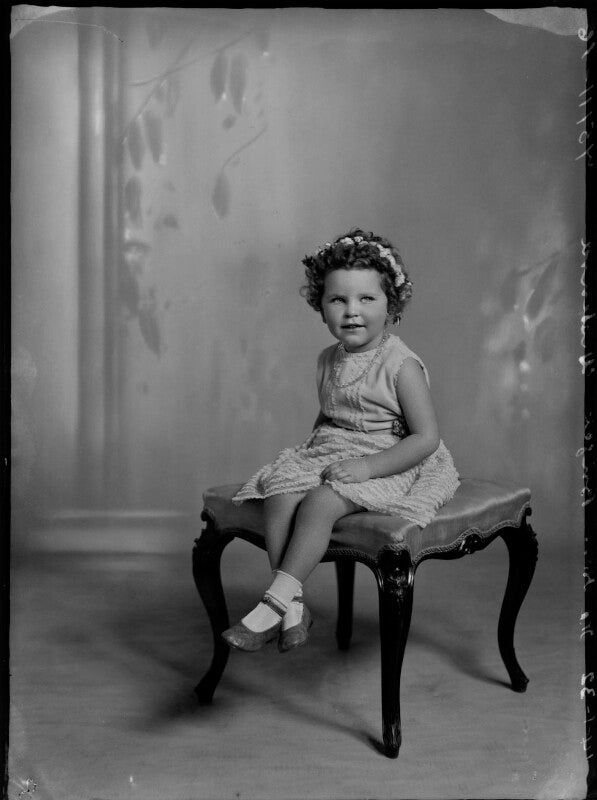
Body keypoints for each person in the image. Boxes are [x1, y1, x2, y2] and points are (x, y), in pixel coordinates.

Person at [222, 228, 459, 653]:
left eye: (367, 298)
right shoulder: (327, 360)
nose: (352, 311)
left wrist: (367, 467)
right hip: (336, 446)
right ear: (321, 307)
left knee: (320, 503)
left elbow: (425, 438)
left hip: (392, 456)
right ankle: (293, 605)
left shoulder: (401, 365)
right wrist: (306, 456)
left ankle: (271, 605)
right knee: (281, 489)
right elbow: (332, 413)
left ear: (391, 305)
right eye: (338, 300)